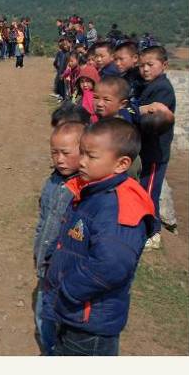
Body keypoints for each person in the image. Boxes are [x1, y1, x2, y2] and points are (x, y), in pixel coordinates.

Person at [45, 118, 155, 356]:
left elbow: (112, 265)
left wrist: (68, 290)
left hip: (89, 325)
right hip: (75, 313)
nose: (82, 161)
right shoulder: (94, 190)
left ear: (121, 164)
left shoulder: (119, 207)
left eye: (91, 156)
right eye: (82, 152)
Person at [34, 122, 84, 355]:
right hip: (46, 265)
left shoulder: (85, 189)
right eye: (54, 153)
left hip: (68, 270)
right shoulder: (52, 182)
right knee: (43, 313)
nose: (59, 159)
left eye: (66, 153)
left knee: (65, 319)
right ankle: (49, 349)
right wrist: (38, 253)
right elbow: (43, 220)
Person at [136, 46, 177, 250]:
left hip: (154, 152)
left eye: (150, 65)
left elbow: (151, 120)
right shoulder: (148, 85)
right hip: (146, 149)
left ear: (164, 65)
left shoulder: (162, 89)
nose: (145, 69)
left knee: (149, 192)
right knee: (143, 189)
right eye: (142, 65)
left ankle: (153, 233)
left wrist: (133, 113)